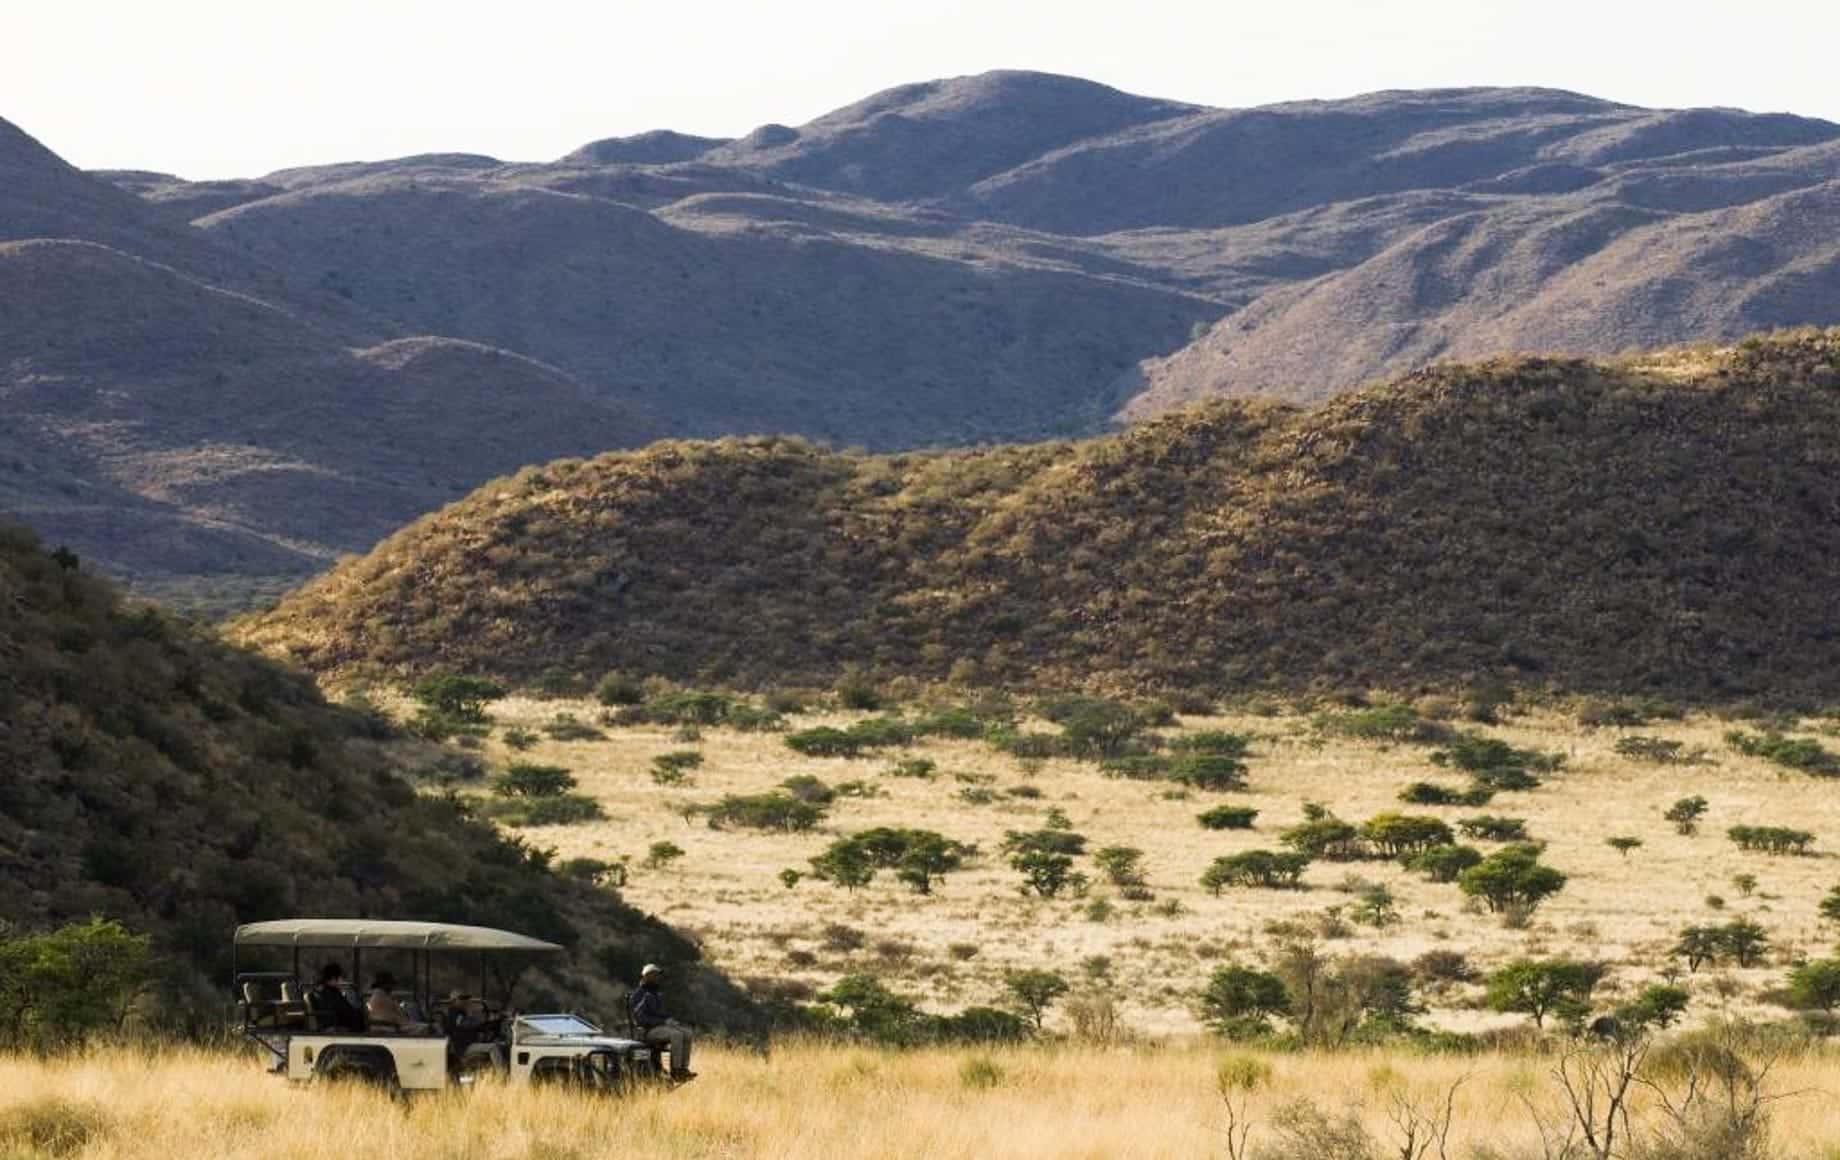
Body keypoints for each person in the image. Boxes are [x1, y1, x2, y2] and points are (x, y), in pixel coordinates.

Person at [628, 963, 694, 1079]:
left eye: (658, 975)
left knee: (688, 1033)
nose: (657, 977)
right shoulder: (639, 994)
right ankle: (676, 1070)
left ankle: (684, 1069)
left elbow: (660, 1014)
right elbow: (640, 1018)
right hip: (647, 1031)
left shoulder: (655, 993)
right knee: (677, 1035)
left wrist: (669, 1020)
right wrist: (663, 1022)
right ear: (646, 976)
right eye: (654, 975)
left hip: (659, 1027)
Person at [309, 962, 364, 1032]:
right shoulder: (330, 992)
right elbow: (341, 1008)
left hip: (333, 1020)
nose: (341, 981)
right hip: (333, 1023)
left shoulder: (323, 991)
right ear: (333, 978)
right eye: (340, 978)